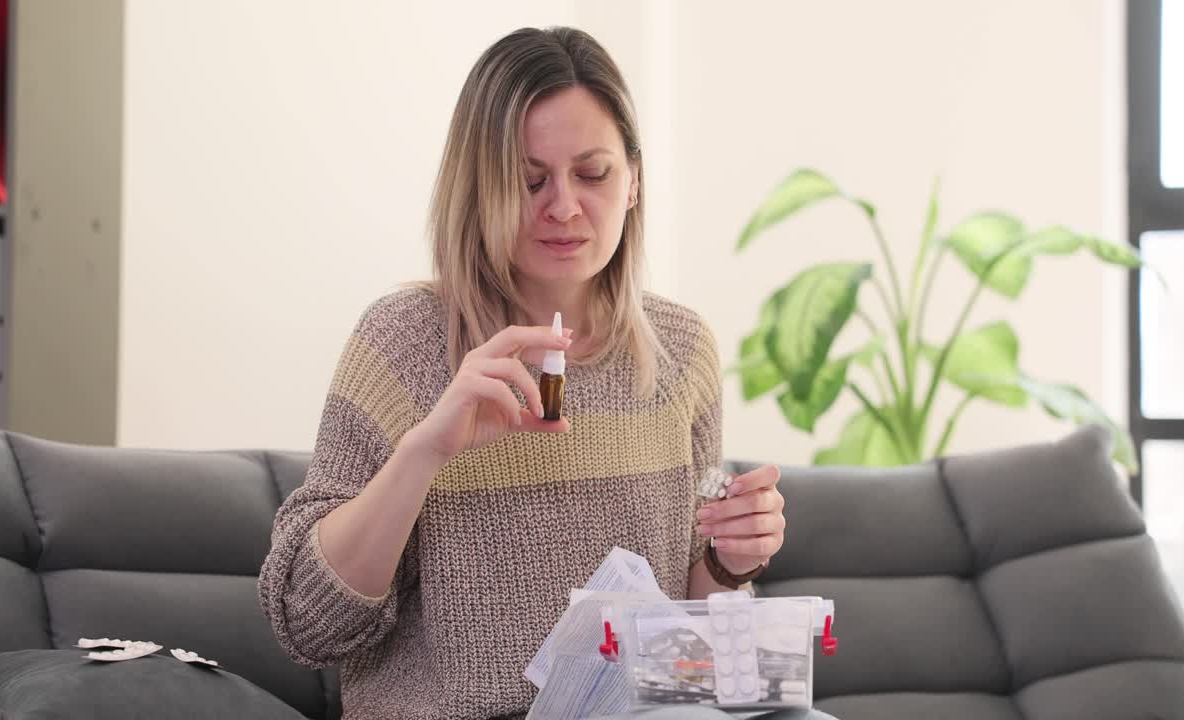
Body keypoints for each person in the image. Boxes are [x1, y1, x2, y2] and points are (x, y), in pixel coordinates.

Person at [258, 26, 834, 720]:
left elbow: (684, 631)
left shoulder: (682, 352)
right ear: (479, 186)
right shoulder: (402, 343)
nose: (563, 206)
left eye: (592, 174)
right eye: (529, 180)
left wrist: (729, 561)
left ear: (634, 182)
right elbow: (305, 624)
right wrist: (424, 452)